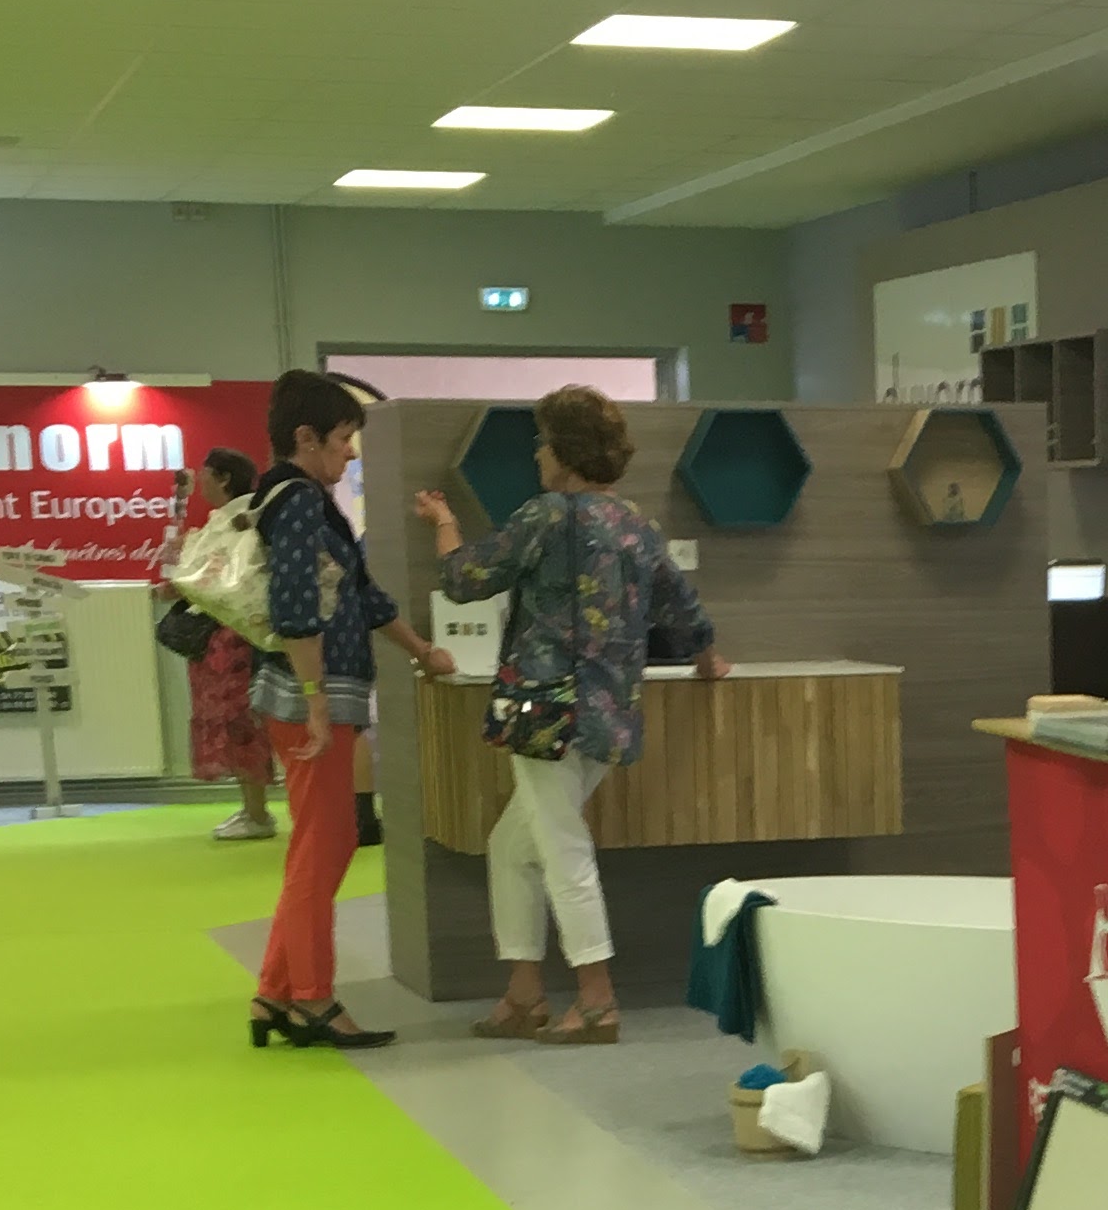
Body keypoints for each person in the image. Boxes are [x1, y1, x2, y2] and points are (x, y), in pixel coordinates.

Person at [417, 386, 729, 1044]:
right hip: (609, 713)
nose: (537, 454)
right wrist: (708, 658)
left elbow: (465, 580)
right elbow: (680, 603)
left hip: (545, 709)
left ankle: (596, 999)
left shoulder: (546, 516)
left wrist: (442, 523)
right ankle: (525, 994)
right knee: (513, 846)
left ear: (564, 451)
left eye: (543, 443)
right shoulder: (636, 524)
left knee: (562, 849)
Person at [250, 369, 459, 1054]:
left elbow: (362, 595)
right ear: (306, 438)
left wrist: (419, 649)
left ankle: (276, 990)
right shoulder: (299, 502)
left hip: (313, 695)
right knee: (326, 844)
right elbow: (294, 606)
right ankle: (312, 996)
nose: (351, 453)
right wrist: (315, 700)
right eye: (342, 439)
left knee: (322, 841)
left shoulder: (298, 499)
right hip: (313, 698)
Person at [157, 447, 279, 841]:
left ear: (224, 478)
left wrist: (186, 584)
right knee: (230, 719)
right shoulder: (223, 522)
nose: (201, 481)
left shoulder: (242, 522)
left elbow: (230, 577)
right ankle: (251, 807)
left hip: (234, 636)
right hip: (220, 634)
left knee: (239, 719)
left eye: (206, 473)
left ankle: (258, 812)